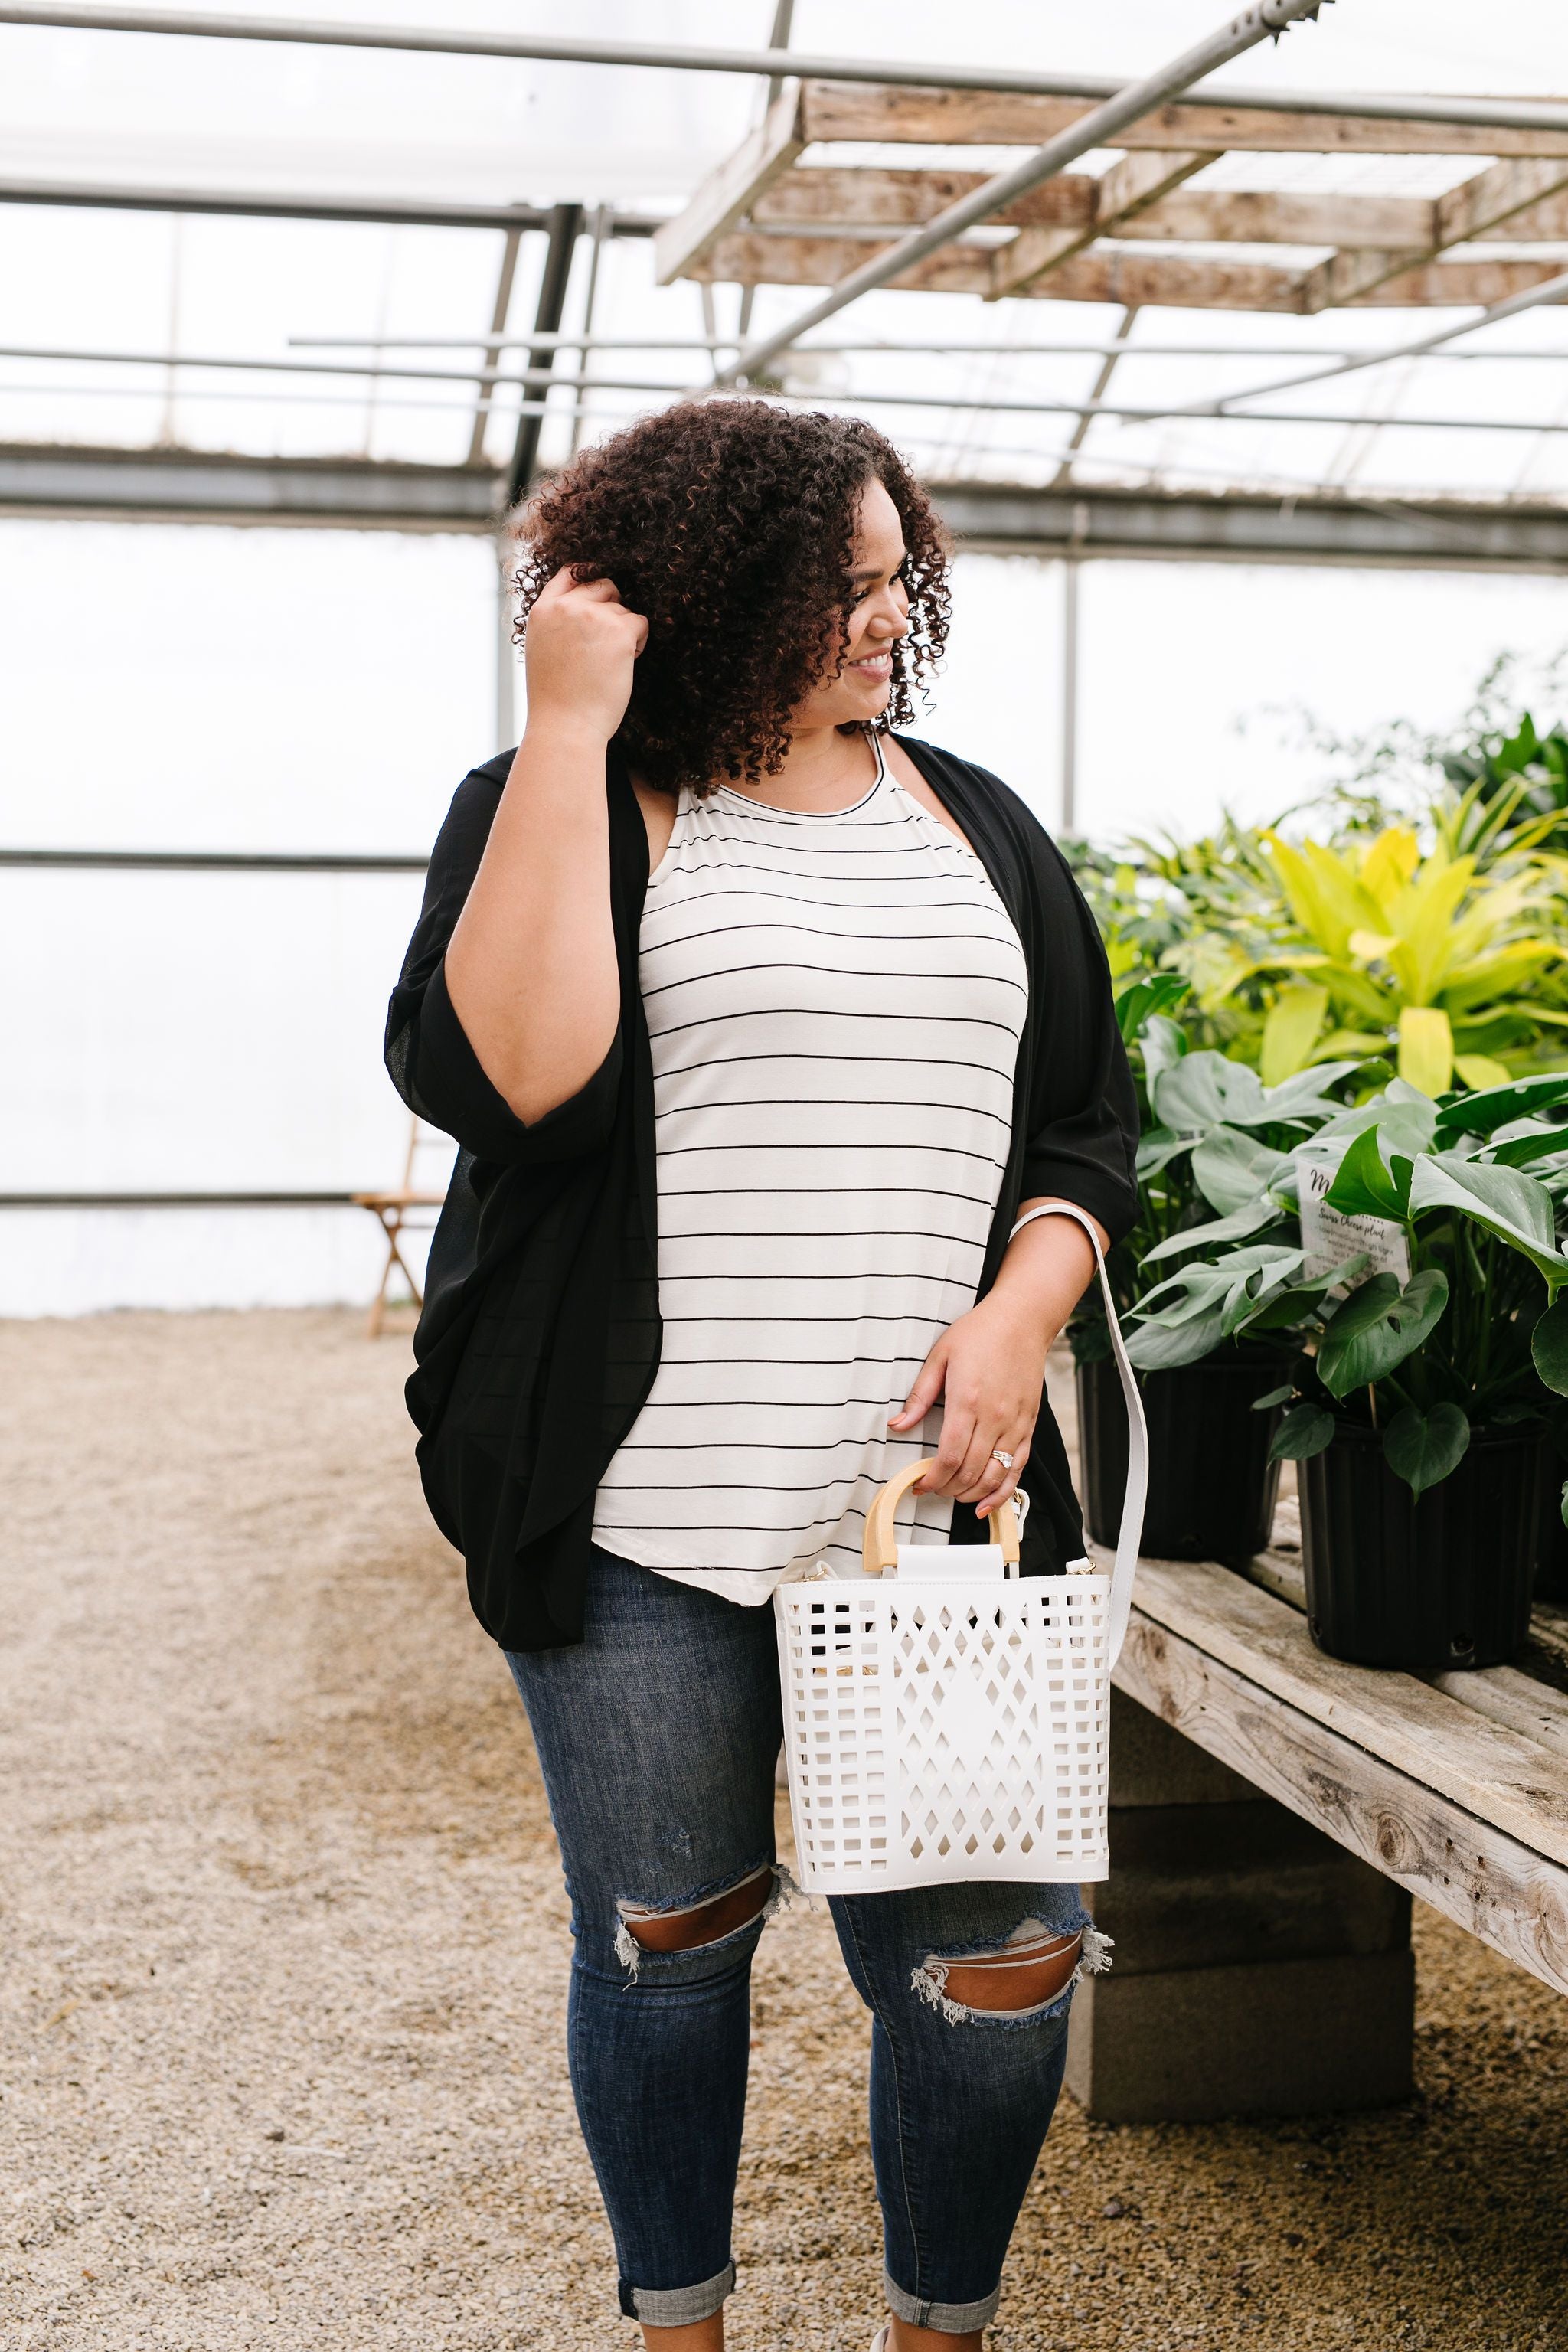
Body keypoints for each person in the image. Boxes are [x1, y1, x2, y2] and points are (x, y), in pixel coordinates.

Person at [386, 400, 1138, 2352]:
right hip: (642, 1530)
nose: (892, 620)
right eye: (844, 589)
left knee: (1003, 1974)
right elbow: (519, 1086)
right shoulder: (577, 800)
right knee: (668, 1955)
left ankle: (935, 2328)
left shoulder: (973, 824)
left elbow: (1081, 1126)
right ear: (716, 595)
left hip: (929, 1528)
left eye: (901, 580)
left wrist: (1026, 1304)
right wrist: (567, 726)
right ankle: (680, 2326)